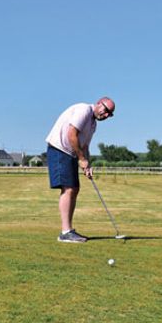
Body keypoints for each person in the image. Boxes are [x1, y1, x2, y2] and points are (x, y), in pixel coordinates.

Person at [46, 97, 115, 243]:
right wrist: (81, 159)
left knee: (74, 188)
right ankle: (65, 232)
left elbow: (84, 146)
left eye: (110, 114)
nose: (107, 115)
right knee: (69, 188)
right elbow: (72, 134)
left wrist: (87, 163)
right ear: (98, 104)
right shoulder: (84, 110)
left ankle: (68, 230)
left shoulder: (93, 124)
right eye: (106, 110)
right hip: (59, 149)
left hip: (70, 153)